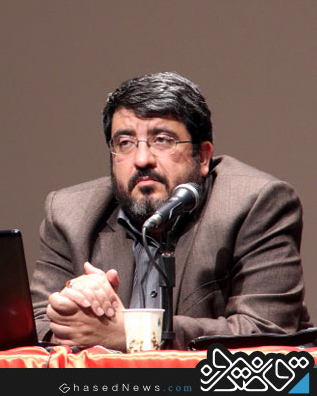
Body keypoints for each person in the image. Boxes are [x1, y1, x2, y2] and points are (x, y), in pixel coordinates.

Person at [30, 72, 311, 351]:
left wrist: (135, 333)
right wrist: (73, 310)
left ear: (203, 157)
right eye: (125, 143)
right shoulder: (70, 214)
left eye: (162, 140)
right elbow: (32, 326)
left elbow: (266, 331)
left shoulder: (255, 204)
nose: (142, 159)